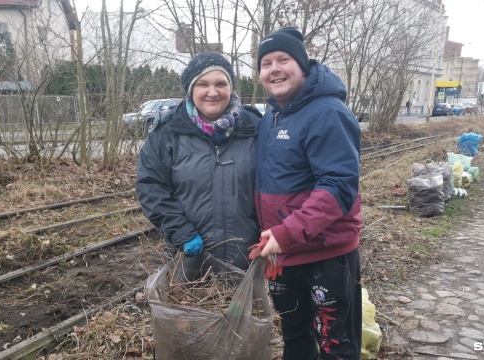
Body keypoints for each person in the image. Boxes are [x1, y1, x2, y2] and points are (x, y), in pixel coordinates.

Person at [253, 27, 363, 360]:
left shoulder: (328, 112)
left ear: (303, 67)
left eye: (284, 59)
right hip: (284, 254)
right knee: (296, 338)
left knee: (335, 344)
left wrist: (286, 233)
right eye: (266, 62)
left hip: (324, 254)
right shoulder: (271, 116)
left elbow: (338, 186)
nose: (274, 68)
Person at [136, 52, 262, 273]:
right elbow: (151, 186)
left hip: (249, 257)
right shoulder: (168, 133)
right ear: (190, 89)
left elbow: (278, 183)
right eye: (202, 84)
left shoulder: (255, 128)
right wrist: (182, 233)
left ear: (230, 88)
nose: (212, 92)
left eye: (220, 84)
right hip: (188, 257)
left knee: (245, 308)